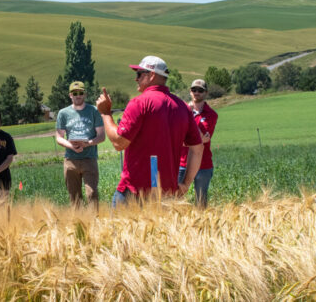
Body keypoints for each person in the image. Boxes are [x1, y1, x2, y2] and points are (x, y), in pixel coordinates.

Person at [96, 55, 203, 207]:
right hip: (167, 196)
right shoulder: (183, 107)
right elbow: (198, 149)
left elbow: (118, 143)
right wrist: (185, 184)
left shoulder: (139, 103)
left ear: (151, 75)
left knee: (121, 231)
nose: (136, 79)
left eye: (139, 74)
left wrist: (106, 113)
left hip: (133, 193)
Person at [55, 81, 105, 208]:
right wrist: (72, 146)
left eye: (81, 93)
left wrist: (87, 144)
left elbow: (101, 136)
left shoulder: (94, 111)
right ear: (70, 95)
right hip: (71, 160)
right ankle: (78, 224)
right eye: (75, 93)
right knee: (74, 198)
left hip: (89, 158)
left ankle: (95, 224)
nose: (78, 95)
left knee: (92, 194)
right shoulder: (63, 113)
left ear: (85, 94)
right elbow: (59, 137)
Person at [179, 79, 217, 207]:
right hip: (182, 162)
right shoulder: (180, 111)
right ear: (190, 92)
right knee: (176, 199)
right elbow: (180, 137)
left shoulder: (212, 115)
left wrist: (189, 115)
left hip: (204, 165)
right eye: (194, 90)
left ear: (205, 93)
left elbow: (204, 138)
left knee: (201, 202)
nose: (196, 92)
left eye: (200, 90)